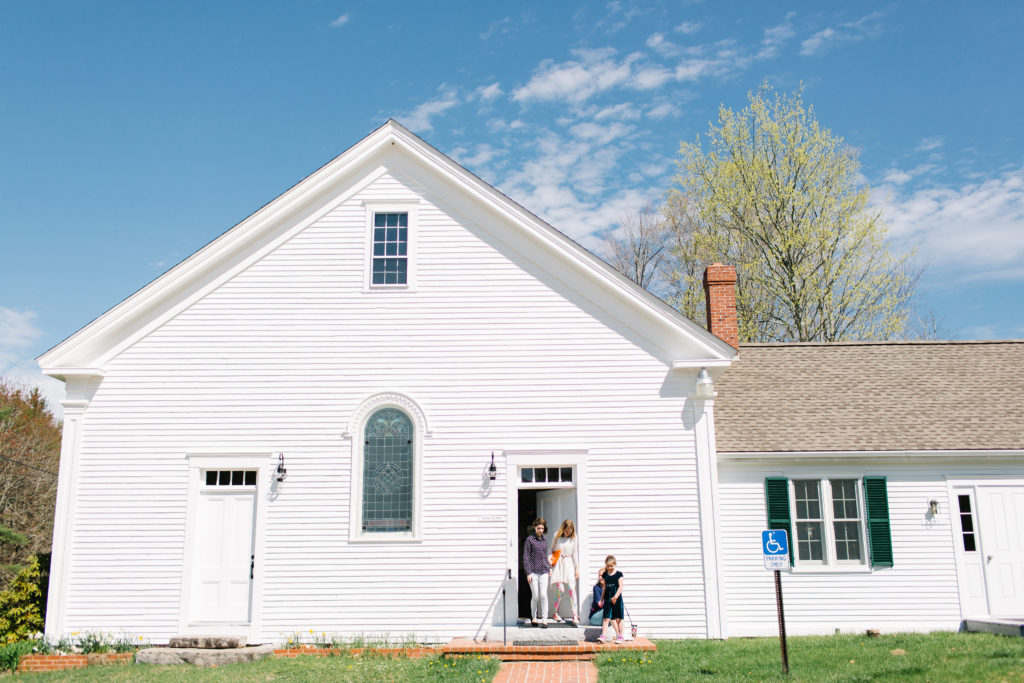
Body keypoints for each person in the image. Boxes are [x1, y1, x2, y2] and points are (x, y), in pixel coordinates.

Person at [549, 519, 580, 625]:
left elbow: (575, 553)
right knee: (561, 590)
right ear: (563, 529)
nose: (567, 533)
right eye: (566, 530)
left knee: (572, 588)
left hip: (569, 563)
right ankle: (555, 612)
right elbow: (551, 549)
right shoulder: (557, 535)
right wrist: (550, 564)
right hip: (558, 564)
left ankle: (575, 615)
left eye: (569, 531)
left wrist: (577, 568)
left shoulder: (574, 537)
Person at [522, 517, 551, 627]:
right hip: (533, 572)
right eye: (539, 528)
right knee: (536, 596)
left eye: (542, 528)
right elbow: (526, 557)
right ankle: (533, 617)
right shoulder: (530, 540)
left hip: (544, 571)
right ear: (535, 527)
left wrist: (549, 568)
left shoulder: (544, 540)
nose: (541, 530)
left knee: (544, 595)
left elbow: (545, 556)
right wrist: (528, 572)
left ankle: (544, 619)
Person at [597, 555, 625, 643]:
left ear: (615, 564)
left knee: (618, 618)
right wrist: (601, 599)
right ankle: (603, 636)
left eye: (611, 566)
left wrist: (615, 597)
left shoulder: (618, 574)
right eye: (608, 566)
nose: (610, 568)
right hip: (607, 598)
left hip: (616, 598)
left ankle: (620, 636)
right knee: (606, 617)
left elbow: (620, 587)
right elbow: (604, 588)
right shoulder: (605, 575)